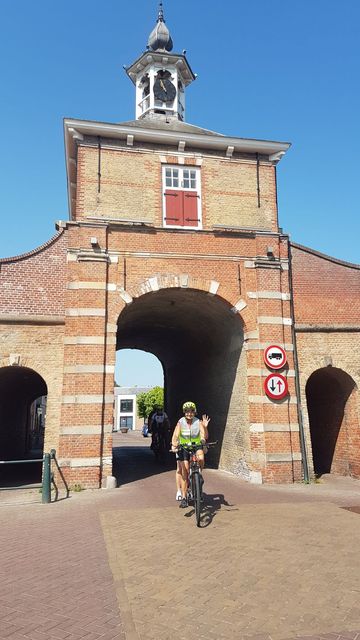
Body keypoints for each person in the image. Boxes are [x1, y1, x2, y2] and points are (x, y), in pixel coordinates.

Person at [171, 401, 210, 508]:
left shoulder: (198, 422)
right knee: (185, 471)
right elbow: (175, 435)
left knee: (201, 458)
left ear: (194, 412)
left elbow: (205, 436)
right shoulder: (180, 422)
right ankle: (184, 498)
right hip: (184, 446)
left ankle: (199, 474)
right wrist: (174, 445)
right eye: (187, 411)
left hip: (196, 445)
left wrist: (205, 427)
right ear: (184, 412)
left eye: (192, 411)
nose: (189, 413)